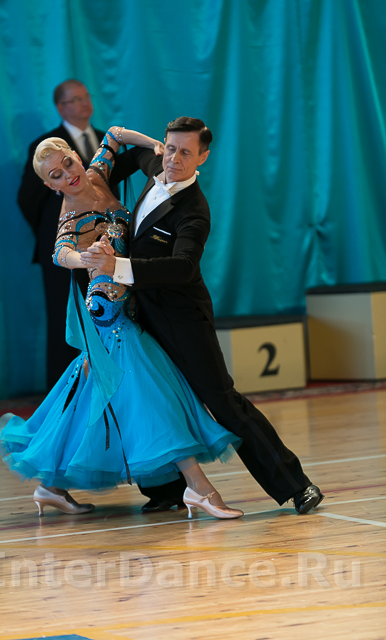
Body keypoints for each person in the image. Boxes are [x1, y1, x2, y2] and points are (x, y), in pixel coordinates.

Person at [0, 126, 244, 521]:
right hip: (108, 309)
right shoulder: (70, 217)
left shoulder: (96, 174)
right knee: (150, 392)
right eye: (56, 175)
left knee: (96, 394)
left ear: (77, 157)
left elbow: (113, 135)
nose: (68, 175)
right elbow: (60, 253)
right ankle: (199, 487)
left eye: (68, 163)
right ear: (49, 185)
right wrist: (87, 259)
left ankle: (51, 486)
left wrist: (154, 144)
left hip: (128, 302)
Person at [84, 116, 324, 515]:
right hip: (140, 315)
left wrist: (117, 266)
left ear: (203, 158)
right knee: (148, 399)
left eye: (186, 152)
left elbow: (184, 268)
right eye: (170, 148)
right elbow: (119, 159)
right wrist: (92, 191)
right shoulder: (155, 164)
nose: (174, 159)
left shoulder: (195, 210)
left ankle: (296, 485)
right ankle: (166, 491)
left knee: (223, 402)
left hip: (182, 319)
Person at [18, 79, 118, 387]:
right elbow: (28, 200)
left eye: (86, 96)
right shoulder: (43, 147)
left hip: (108, 252)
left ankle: (112, 389)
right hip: (66, 256)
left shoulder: (104, 140)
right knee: (67, 322)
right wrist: (64, 232)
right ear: (61, 107)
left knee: (111, 319)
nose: (85, 103)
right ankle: (68, 394)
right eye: (76, 99)